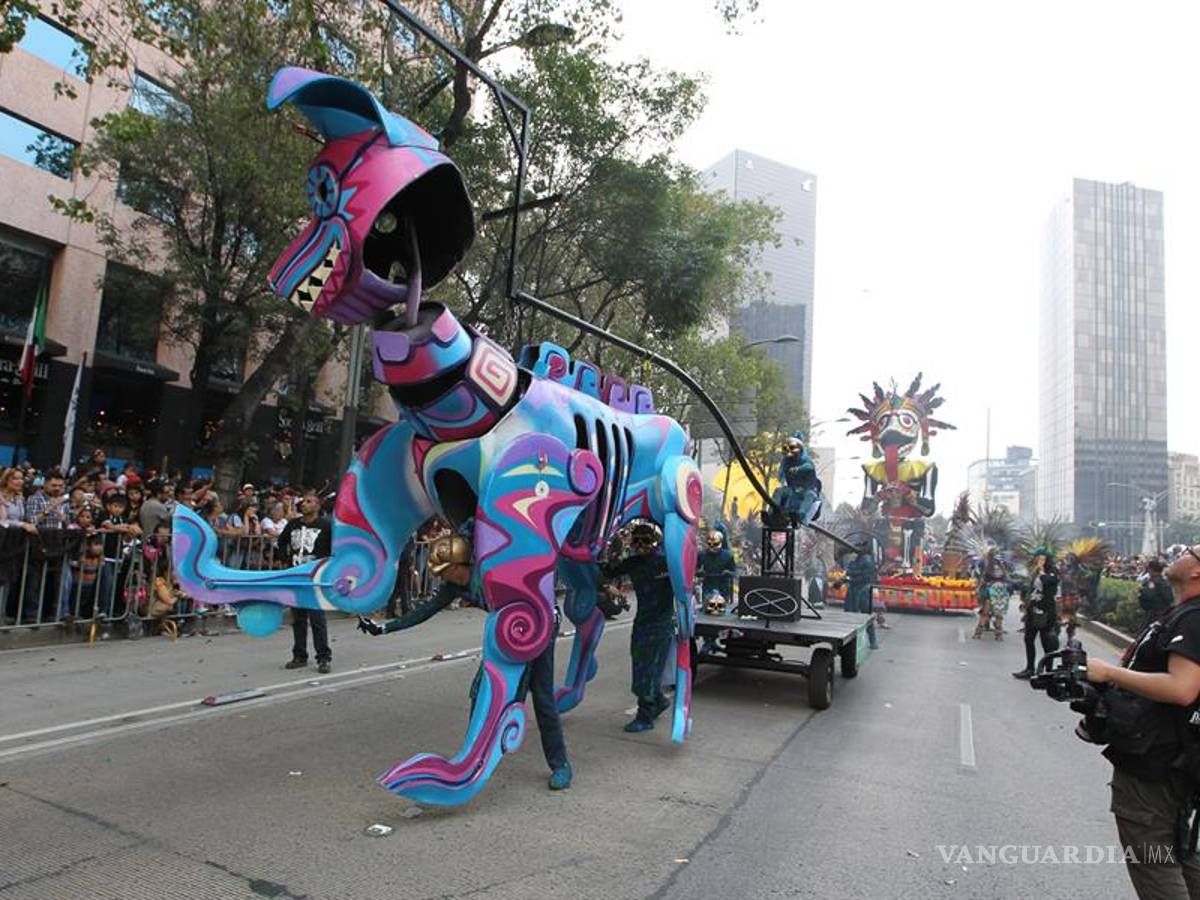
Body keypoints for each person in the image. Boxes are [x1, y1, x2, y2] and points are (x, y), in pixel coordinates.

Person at [357, 526, 574, 791]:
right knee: (482, 690)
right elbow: (425, 611)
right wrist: (385, 627)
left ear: (458, 563)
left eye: (444, 570)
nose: (440, 577)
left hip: (540, 624)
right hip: (505, 635)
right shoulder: (453, 586)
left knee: (541, 697)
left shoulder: (494, 568)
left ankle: (560, 764)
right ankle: (475, 755)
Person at [1086, 544, 1200, 898]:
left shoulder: (1194, 617)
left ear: (1197, 572)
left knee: (1156, 862)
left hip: (1157, 761)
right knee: (1179, 855)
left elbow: (1182, 689)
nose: (1179, 553)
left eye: (1191, 551)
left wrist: (1108, 673)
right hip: (1177, 760)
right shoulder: (1183, 614)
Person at [602, 522, 675, 733]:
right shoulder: (633, 563)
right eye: (638, 539)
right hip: (643, 621)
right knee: (639, 662)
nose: (642, 544)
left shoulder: (667, 562)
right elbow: (608, 571)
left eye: (646, 539)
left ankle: (645, 715)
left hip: (661, 623)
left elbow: (687, 578)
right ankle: (658, 700)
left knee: (649, 669)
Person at [277, 490, 333, 673]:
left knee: (317, 619)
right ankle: (299, 655)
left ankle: (323, 657)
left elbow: (335, 548)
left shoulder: (326, 525)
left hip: (315, 578)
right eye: (304, 501)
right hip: (296, 576)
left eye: (309, 502)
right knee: (298, 618)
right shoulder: (293, 524)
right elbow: (282, 542)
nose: (304, 504)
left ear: (317, 505)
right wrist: (284, 561)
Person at [1013, 556, 1060, 679]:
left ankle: (1047, 670)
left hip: (1046, 612)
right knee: (1029, 639)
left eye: (1043, 560)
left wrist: (1042, 572)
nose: (1040, 562)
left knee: (1046, 642)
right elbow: (1030, 588)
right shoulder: (1036, 573)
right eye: (1039, 560)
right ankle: (1030, 668)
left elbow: (1048, 582)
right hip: (1033, 611)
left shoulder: (1053, 573)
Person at [841, 548, 879, 650]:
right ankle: (851, 643)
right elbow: (848, 571)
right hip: (853, 590)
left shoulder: (867, 560)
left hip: (863, 591)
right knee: (850, 616)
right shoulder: (855, 560)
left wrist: (853, 576)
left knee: (866, 616)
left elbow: (866, 577)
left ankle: (872, 641)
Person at [1139, 559, 1174, 628]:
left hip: (1153, 616)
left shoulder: (1153, 583)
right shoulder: (1165, 582)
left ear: (1150, 569)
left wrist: (1141, 591)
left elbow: (1148, 596)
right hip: (1164, 615)